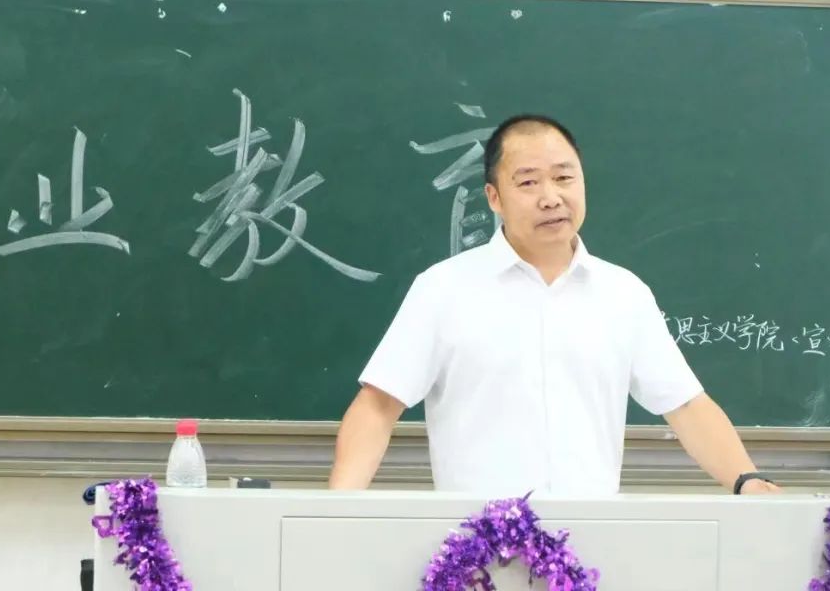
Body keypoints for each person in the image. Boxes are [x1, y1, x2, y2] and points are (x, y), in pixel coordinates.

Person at [328, 114, 780, 497]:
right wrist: (333, 513)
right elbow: (378, 406)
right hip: (476, 550)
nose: (551, 197)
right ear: (494, 198)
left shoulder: (624, 294)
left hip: (590, 548)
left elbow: (685, 406)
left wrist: (746, 480)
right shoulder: (444, 289)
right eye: (528, 182)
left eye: (564, 178)